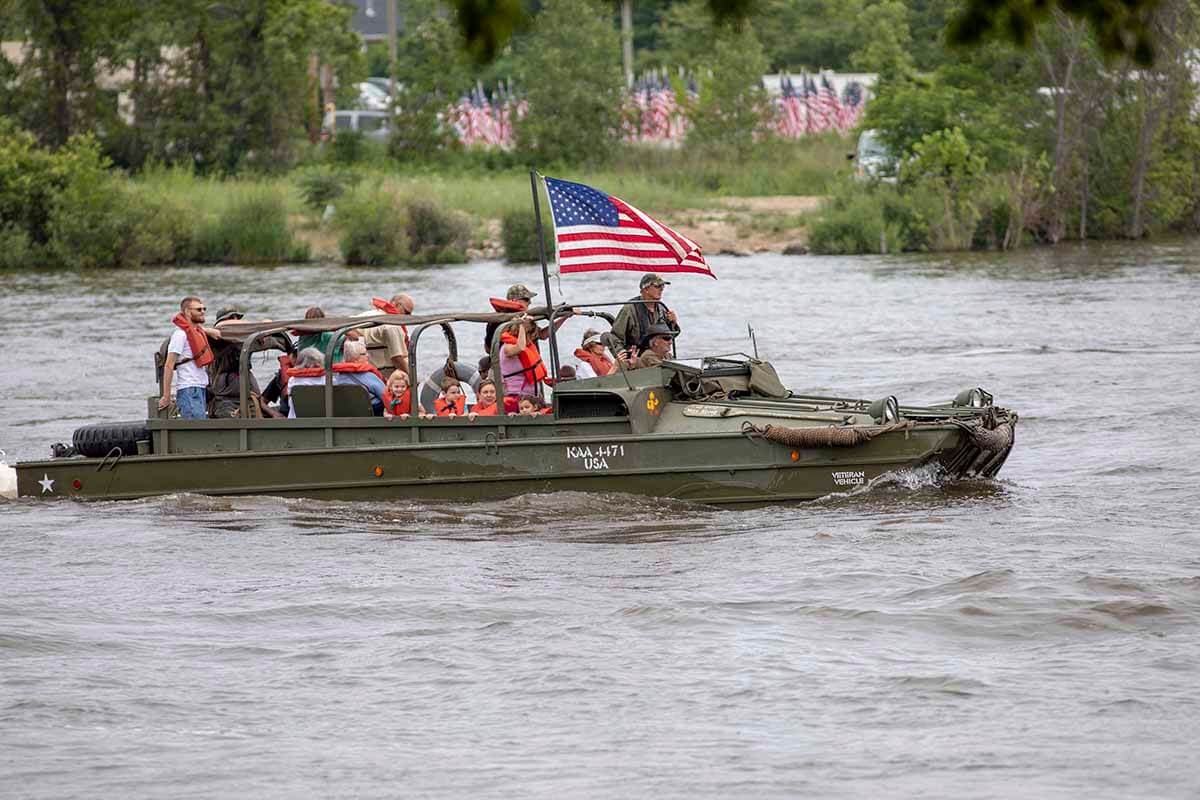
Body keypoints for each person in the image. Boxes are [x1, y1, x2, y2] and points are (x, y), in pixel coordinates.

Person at [160, 296, 221, 419]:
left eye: (204, 309)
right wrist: (166, 396)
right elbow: (169, 365)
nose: (203, 311)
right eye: (199, 309)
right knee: (196, 430)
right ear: (188, 312)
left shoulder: (197, 331)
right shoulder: (180, 335)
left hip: (199, 387)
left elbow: (199, 330)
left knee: (201, 426)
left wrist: (208, 331)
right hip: (189, 389)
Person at [483, 284, 573, 353]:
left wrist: (564, 317)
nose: (530, 302)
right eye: (526, 299)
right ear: (514, 300)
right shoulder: (497, 321)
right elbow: (488, 348)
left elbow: (543, 335)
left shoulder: (527, 318)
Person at [610, 273, 680, 351]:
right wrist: (621, 352)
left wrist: (673, 323)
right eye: (657, 286)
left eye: (662, 286)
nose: (661, 289)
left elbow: (669, 338)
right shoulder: (630, 309)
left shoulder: (661, 308)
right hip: (636, 356)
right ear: (646, 289)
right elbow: (614, 337)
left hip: (657, 355)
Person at [355, 293, 414, 374]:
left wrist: (358, 337)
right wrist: (412, 376)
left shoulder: (366, 315)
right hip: (386, 375)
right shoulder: (392, 325)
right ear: (396, 304)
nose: (408, 317)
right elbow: (397, 359)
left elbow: (346, 327)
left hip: (367, 372)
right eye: (407, 312)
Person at [499, 315, 547, 412]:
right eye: (530, 335)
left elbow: (545, 334)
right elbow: (520, 347)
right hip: (517, 399)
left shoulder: (527, 346)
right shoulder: (507, 348)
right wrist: (522, 325)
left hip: (532, 398)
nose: (532, 339)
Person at [331, 339, 386, 415]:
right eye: (364, 354)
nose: (368, 355)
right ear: (355, 359)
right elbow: (386, 395)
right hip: (372, 415)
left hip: (346, 414)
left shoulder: (336, 377)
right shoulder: (369, 376)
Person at [285, 347, 327, 419]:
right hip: (322, 420)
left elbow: (290, 404)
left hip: (297, 421)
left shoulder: (292, 381)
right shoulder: (327, 380)